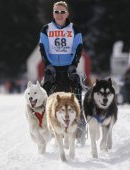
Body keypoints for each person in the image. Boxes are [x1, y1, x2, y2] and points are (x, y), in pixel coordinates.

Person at [39, 1, 85, 145]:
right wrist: (48, 65)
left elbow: (78, 48)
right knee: (44, 97)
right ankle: (48, 131)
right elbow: (43, 48)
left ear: (67, 14)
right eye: (57, 12)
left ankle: (80, 131)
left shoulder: (74, 29)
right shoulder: (46, 29)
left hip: (68, 68)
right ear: (53, 13)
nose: (59, 15)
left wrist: (74, 65)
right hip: (52, 69)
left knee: (76, 95)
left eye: (62, 12)